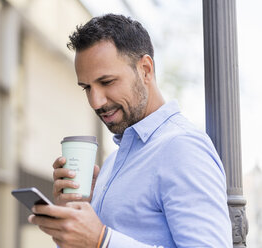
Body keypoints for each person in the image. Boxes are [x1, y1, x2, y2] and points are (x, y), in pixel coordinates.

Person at [28, 14, 232, 248]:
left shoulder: (181, 147)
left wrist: (102, 240)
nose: (96, 101)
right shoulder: (114, 162)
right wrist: (76, 216)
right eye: (87, 87)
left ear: (145, 69)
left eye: (107, 82)